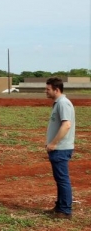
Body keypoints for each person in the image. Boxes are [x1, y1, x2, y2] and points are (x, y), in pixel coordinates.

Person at [45, 77, 76, 219]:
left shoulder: (63, 103)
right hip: (58, 148)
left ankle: (65, 210)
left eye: (48, 89)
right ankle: (60, 207)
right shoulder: (58, 103)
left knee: (62, 179)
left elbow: (66, 125)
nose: (46, 91)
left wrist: (54, 143)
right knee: (60, 179)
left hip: (61, 149)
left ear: (56, 90)